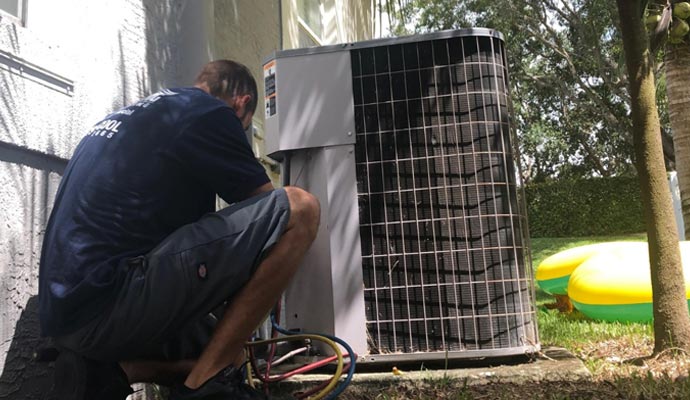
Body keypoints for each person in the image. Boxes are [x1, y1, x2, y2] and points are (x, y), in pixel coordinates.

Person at [38, 60, 320, 400]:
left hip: (67, 320)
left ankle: (112, 373)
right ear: (241, 103)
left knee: (223, 343)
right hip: (109, 303)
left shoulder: (139, 114)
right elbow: (271, 218)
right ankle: (205, 388)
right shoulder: (211, 113)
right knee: (301, 209)